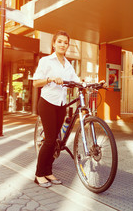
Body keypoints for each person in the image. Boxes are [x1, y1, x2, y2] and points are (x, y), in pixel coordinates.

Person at [32, 30, 80, 188]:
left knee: (55, 142)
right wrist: (50, 79)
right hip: (47, 102)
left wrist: (91, 83)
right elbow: (35, 82)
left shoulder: (68, 64)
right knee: (50, 140)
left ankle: (48, 171)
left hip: (61, 105)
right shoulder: (46, 61)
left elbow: (76, 80)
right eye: (59, 41)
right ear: (53, 43)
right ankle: (39, 174)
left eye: (65, 42)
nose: (62, 45)